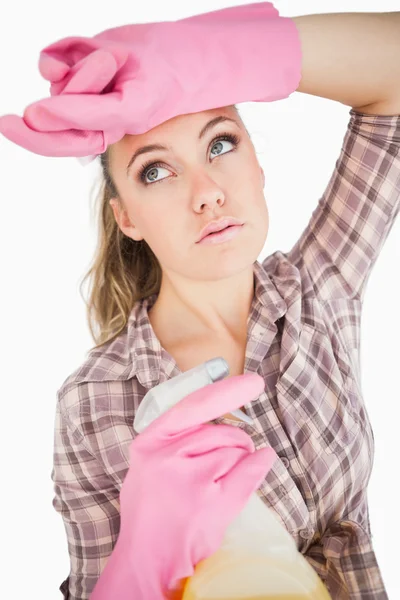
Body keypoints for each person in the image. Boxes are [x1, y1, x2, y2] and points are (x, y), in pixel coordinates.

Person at [0, 3, 399, 599]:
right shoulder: (94, 402)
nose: (208, 194)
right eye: (157, 171)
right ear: (126, 217)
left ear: (258, 163)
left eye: (220, 144)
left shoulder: (318, 289)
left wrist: (207, 56)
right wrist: (135, 565)